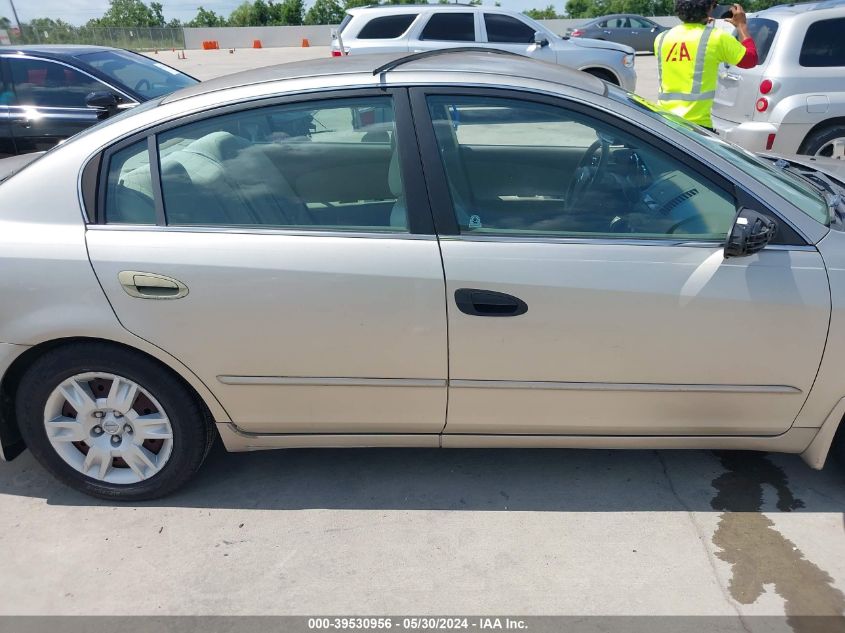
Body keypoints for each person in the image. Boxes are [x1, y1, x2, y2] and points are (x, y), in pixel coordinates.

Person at [655, 0, 758, 129]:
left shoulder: (662, 38)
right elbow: (750, 59)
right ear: (709, 9)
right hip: (695, 126)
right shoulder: (716, 37)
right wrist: (741, 26)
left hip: (663, 122)